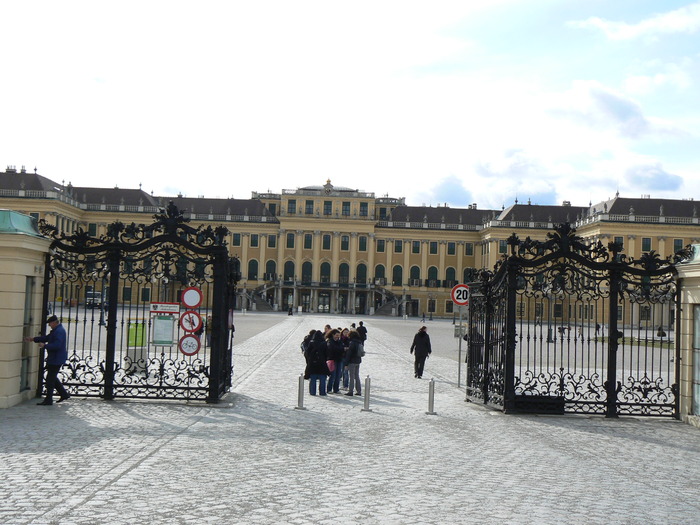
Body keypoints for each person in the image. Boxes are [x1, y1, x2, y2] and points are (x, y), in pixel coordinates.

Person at [25, 315, 70, 405]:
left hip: (56, 358)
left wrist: (45, 345)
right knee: (52, 377)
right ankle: (64, 394)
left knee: (50, 379)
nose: (49, 325)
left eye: (50, 323)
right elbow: (46, 338)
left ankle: (49, 400)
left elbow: (57, 345)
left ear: (54, 323)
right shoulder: (57, 330)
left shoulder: (59, 331)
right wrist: (33, 339)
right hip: (55, 358)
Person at [304, 330, 329, 395]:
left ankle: (312, 392)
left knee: (313, 378)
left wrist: (309, 360)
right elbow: (327, 353)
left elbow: (307, 353)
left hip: (313, 363)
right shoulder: (324, 343)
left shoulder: (311, 342)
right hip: (322, 363)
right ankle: (322, 392)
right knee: (322, 379)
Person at [344, 330, 363, 396]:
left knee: (351, 376)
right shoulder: (359, 342)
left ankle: (350, 391)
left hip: (352, 361)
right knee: (357, 376)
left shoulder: (352, 343)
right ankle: (359, 391)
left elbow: (349, 354)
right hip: (358, 361)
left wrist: (346, 363)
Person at [325, 329, 345, 394]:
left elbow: (341, 348)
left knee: (338, 375)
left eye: (338, 335)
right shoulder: (329, 341)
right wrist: (341, 349)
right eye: (336, 335)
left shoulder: (340, 341)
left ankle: (336, 389)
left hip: (339, 360)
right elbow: (332, 349)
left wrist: (341, 349)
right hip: (332, 360)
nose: (338, 337)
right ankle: (329, 389)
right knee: (332, 375)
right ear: (333, 334)